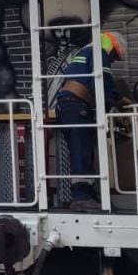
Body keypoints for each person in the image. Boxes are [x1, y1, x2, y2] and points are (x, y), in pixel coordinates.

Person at [54, 31, 129, 211]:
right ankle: (81, 197)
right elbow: (104, 85)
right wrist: (121, 104)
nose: (113, 61)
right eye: (115, 57)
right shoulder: (99, 53)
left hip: (71, 106)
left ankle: (88, 193)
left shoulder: (87, 52)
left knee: (84, 151)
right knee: (81, 151)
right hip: (76, 107)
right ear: (113, 48)